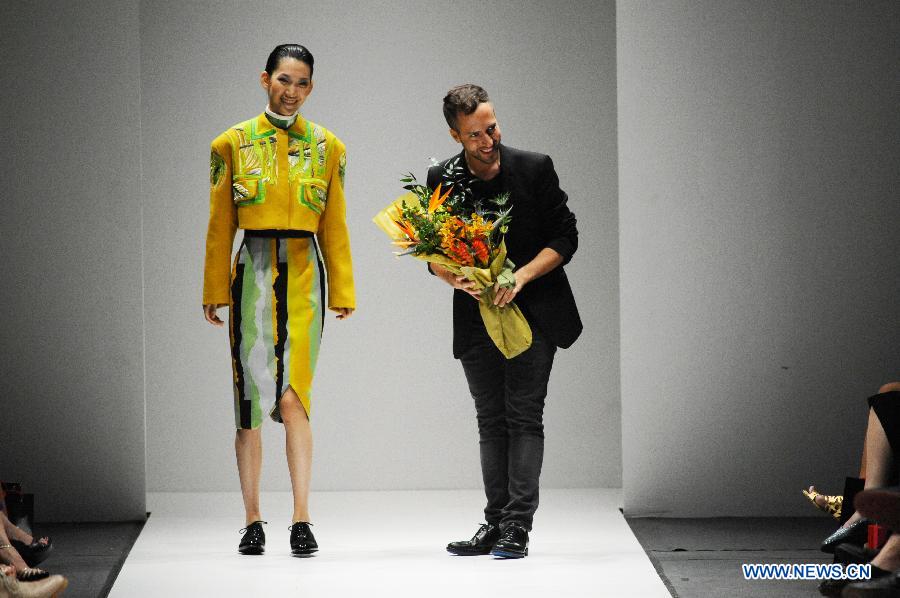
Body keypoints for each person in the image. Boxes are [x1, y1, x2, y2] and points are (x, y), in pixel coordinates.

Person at [202, 44, 355, 557]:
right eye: (284, 80)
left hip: (306, 274)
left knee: (295, 397)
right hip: (252, 269)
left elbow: (335, 221)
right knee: (248, 398)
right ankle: (251, 518)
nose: (292, 92)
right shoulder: (232, 143)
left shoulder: (328, 146)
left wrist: (345, 287)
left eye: (303, 83)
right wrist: (214, 288)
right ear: (266, 79)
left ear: (311, 87)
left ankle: (302, 517)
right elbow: (220, 222)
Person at [427, 84, 581, 559]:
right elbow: (431, 253)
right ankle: (494, 524)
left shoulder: (534, 167)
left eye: (492, 127)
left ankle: (518, 526)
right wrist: (455, 278)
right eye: (476, 134)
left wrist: (522, 276)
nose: (489, 139)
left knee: (523, 415)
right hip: (477, 317)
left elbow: (566, 236)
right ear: (456, 134)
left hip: (534, 312)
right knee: (491, 421)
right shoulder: (443, 177)